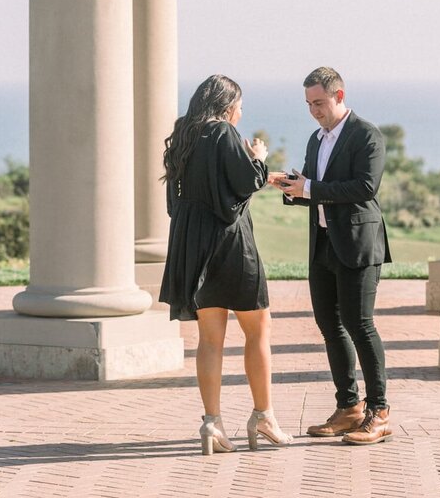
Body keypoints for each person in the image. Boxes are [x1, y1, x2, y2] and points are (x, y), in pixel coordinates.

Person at [159, 74, 293, 456]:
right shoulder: (224, 133)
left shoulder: (183, 135)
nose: (241, 111)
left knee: (210, 339)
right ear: (228, 104)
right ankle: (263, 416)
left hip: (191, 244)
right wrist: (259, 158)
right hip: (230, 245)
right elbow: (246, 181)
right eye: (240, 105)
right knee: (258, 328)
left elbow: (176, 201)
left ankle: (211, 423)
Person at [276, 66, 394, 445]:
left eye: (320, 103)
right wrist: (293, 188)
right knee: (330, 326)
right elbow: (316, 188)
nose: (314, 111)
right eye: (309, 104)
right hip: (323, 244)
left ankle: (379, 411)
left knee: (360, 324)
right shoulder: (317, 138)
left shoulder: (366, 135)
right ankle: (349, 408)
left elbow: (364, 187)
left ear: (339, 96)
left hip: (359, 244)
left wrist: (311, 187)